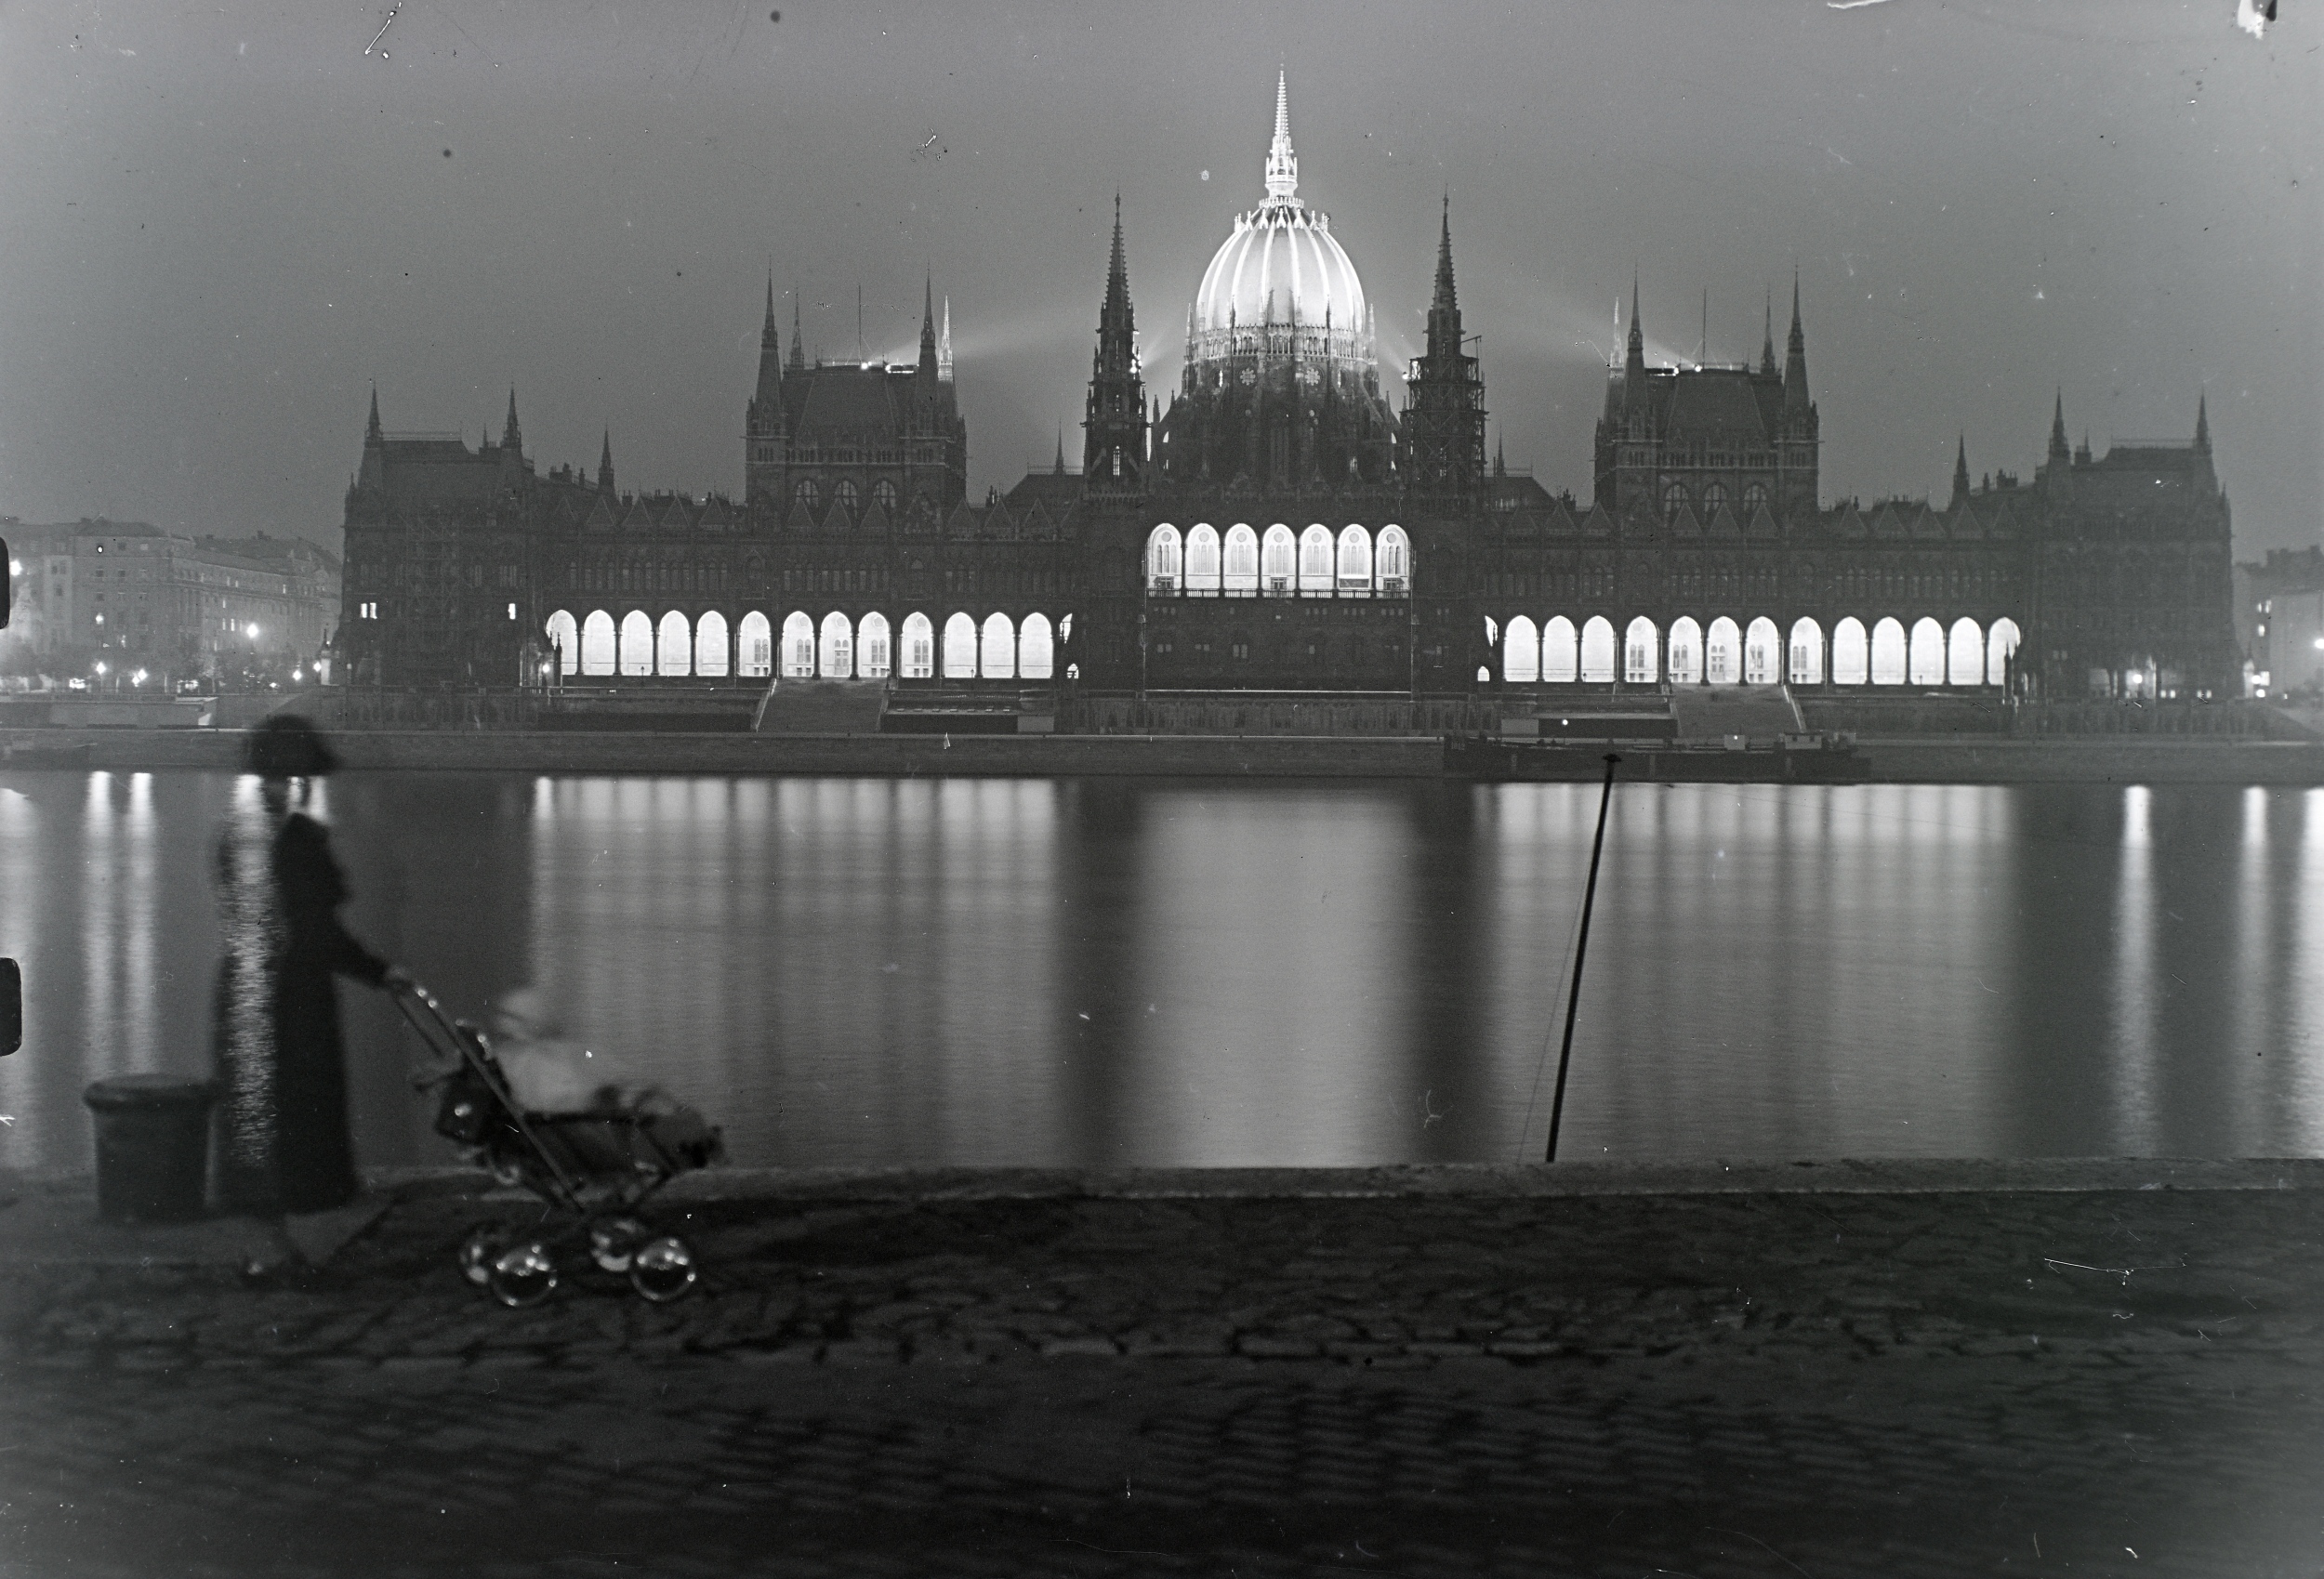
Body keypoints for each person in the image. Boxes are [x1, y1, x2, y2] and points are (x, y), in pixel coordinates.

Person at [211, 715, 408, 1262]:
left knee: (264, 1121)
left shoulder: (248, 836)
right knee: (295, 1114)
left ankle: (272, 1236)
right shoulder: (292, 840)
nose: (294, 788)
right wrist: (375, 971)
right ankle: (285, 1240)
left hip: (253, 993)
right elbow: (315, 928)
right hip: (288, 998)